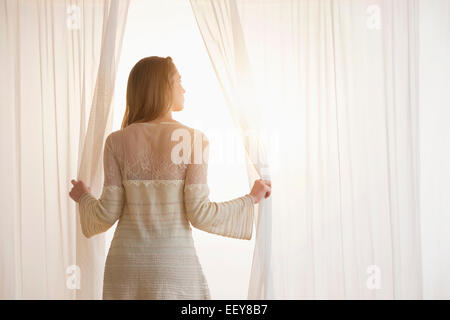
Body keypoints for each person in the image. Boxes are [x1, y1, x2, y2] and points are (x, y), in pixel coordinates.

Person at [69, 56, 272, 299]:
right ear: (163, 86)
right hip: (172, 264)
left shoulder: (116, 141)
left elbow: (107, 213)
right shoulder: (193, 140)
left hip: (125, 264)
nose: (184, 89)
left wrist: (83, 197)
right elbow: (200, 214)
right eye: (178, 81)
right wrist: (252, 198)